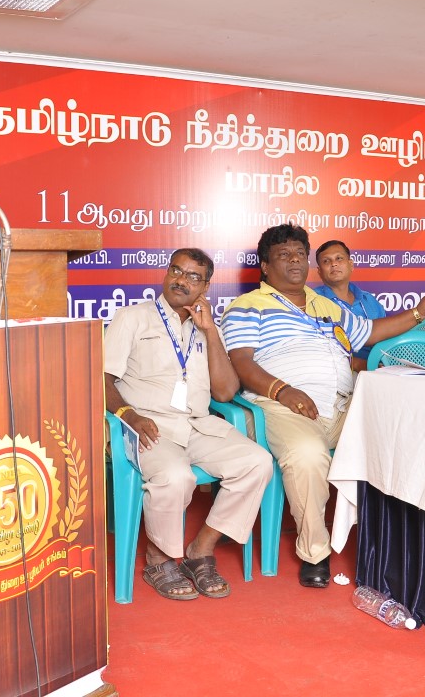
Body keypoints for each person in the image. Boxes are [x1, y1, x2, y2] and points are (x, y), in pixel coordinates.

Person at [221, 225, 425, 589]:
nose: (295, 260)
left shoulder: (324, 305)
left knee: (400, 431)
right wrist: (281, 389)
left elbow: (370, 332)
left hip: (342, 404)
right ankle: (315, 552)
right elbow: (242, 362)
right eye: (284, 255)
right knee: (308, 455)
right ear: (264, 265)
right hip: (282, 405)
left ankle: (397, 544)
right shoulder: (247, 306)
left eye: (300, 253)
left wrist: (419, 313)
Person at [104, 249, 273, 601]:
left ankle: (201, 548)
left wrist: (210, 332)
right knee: (175, 476)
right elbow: (100, 377)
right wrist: (127, 414)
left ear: (205, 287)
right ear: (167, 273)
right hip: (148, 425)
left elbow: (224, 392)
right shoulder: (132, 317)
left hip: (197, 425)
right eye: (176, 271)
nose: (181, 280)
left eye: (193, 277)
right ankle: (159, 558)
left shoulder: (206, 327)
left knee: (257, 462)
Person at [313, 239, 388, 371]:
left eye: (339, 258)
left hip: (379, 368)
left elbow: (387, 337)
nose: (334, 264)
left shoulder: (369, 300)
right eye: (326, 261)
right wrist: (360, 365)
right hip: (338, 371)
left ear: (351, 265)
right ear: (319, 271)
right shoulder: (313, 301)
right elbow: (317, 351)